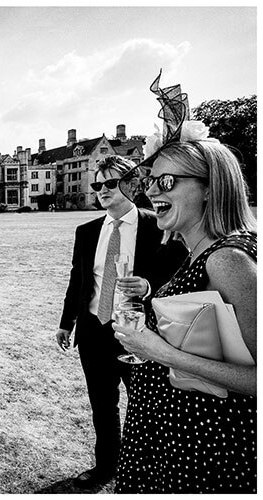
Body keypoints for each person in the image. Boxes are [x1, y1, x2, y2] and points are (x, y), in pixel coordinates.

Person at [112, 136, 256, 491]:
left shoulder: (228, 260)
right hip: (175, 436)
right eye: (150, 182)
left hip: (201, 449)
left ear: (210, 187)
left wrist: (156, 351)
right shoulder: (199, 252)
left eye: (167, 182)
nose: (151, 193)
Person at [54, 155, 187, 489]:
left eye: (111, 184)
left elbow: (180, 273)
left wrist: (149, 286)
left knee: (146, 407)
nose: (102, 191)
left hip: (139, 334)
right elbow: (78, 278)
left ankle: (151, 471)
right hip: (94, 330)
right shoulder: (86, 231)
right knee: (103, 405)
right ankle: (106, 468)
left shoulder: (158, 225)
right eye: (98, 185)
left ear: (131, 184)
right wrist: (66, 323)